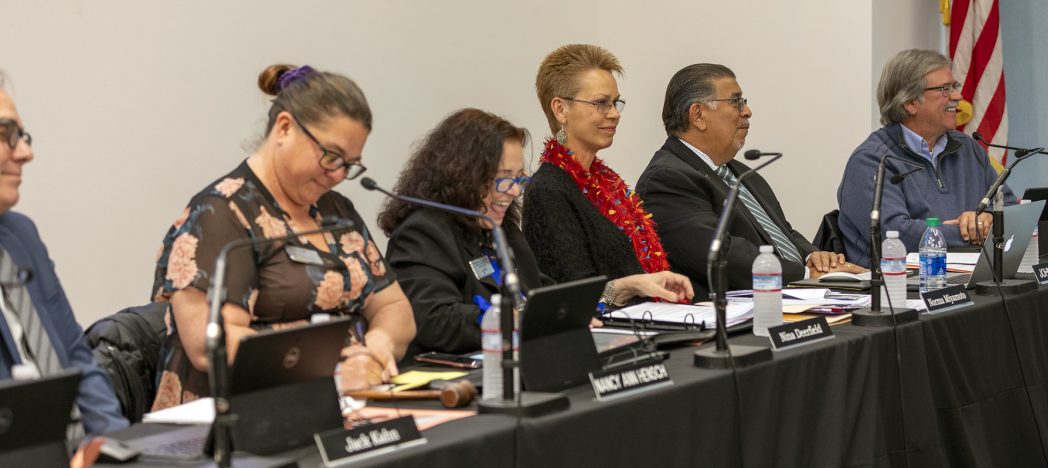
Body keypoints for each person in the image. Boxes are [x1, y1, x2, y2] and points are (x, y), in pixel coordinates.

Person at [149, 64, 416, 410]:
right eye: (331, 155)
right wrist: (334, 372)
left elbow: (394, 307)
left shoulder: (336, 210)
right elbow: (210, 344)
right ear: (285, 127)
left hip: (344, 406)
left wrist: (379, 345)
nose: (337, 175)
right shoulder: (222, 214)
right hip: (242, 419)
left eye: (349, 165)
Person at [380, 108, 692, 356]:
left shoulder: (501, 230)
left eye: (519, 178)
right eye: (504, 179)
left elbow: (548, 298)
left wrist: (628, 287)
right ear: (462, 174)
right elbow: (435, 322)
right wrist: (522, 320)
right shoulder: (422, 232)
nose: (515, 192)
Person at [635, 64, 860, 299]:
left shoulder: (739, 172)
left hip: (791, 296)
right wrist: (805, 274)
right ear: (698, 115)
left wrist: (812, 256)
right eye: (736, 102)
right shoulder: (667, 179)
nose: (747, 111)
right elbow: (721, 254)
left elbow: (782, 231)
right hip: (732, 316)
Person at [0, 71, 128, 435]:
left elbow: (75, 357)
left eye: (22, 136)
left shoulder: (20, 235)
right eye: (4, 135)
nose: (26, 153)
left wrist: (109, 445)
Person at [523, 44, 685, 291]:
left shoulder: (607, 183)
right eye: (601, 103)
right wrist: (626, 288)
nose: (614, 114)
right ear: (560, 109)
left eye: (615, 103)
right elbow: (577, 296)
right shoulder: (548, 190)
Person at [837, 49, 1016, 266]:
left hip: (967, 279)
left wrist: (988, 218)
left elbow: (1007, 205)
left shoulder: (967, 148)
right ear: (909, 102)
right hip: (898, 289)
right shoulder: (872, 161)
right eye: (944, 89)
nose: (957, 97)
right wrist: (968, 230)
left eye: (955, 87)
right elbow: (896, 235)